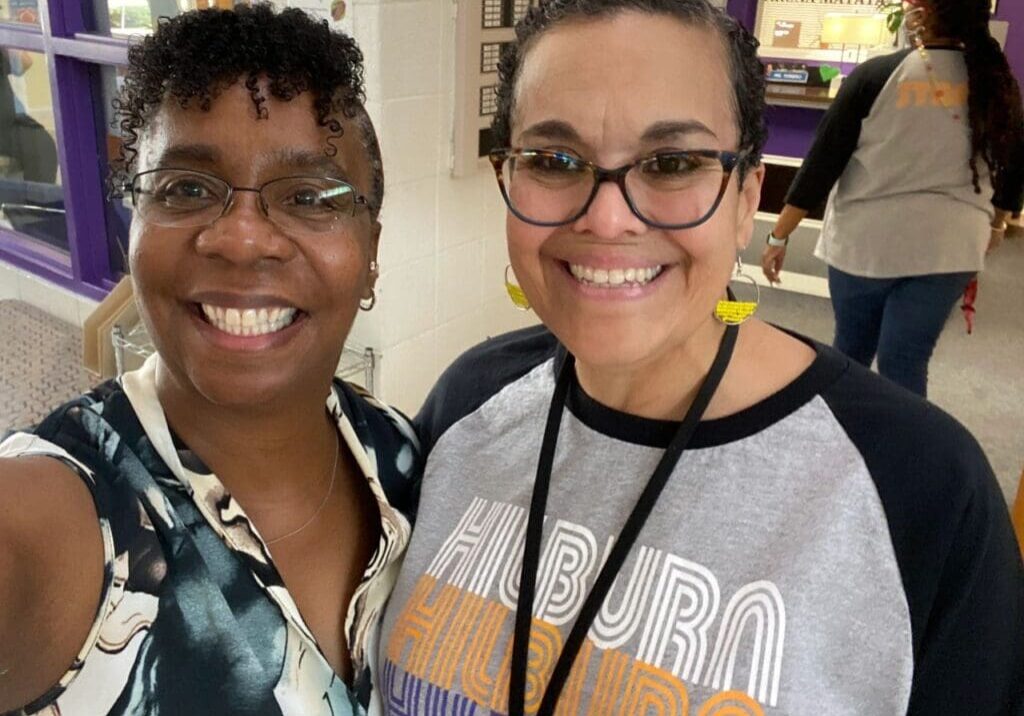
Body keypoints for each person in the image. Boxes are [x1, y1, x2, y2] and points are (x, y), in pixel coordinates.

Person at [379, 0, 1023, 714]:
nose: (607, 218)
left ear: (748, 197)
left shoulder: (920, 488)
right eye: (554, 160)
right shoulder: (470, 401)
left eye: (674, 162)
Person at [0, 5, 418, 714]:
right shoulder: (54, 517)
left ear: (371, 254)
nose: (243, 240)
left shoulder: (402, 457)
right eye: (186, 189)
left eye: (310, 196)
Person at [760, 0, 1024, 398]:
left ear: (920, 13)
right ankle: (900, 454)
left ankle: (842, 438)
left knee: (851, 352)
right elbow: (1015, 160)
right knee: (906, 361)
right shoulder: (995, 83)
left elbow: (822, 163)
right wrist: (997, 222)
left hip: (868, 244)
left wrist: (778, 236)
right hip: (951, 249)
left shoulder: (877, 75)